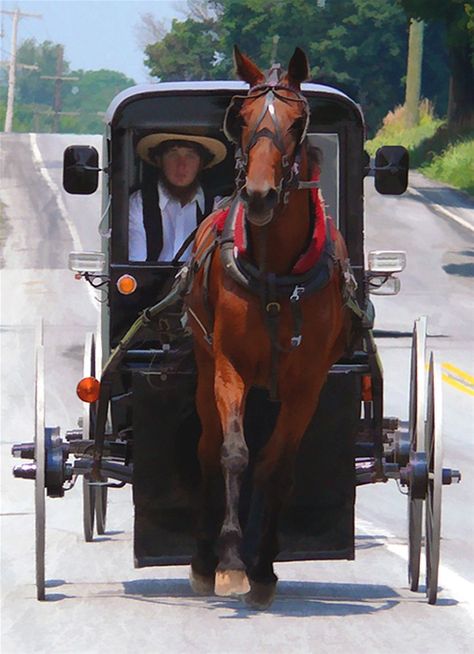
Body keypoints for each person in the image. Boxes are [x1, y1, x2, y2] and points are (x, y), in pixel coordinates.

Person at [128, 133, 227, 262]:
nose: (181, 166)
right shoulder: (139, 204)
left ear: (201, 163)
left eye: (191, 156)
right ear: (159, 160)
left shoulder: (216, 208)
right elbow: (136, 264)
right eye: (173, 154)